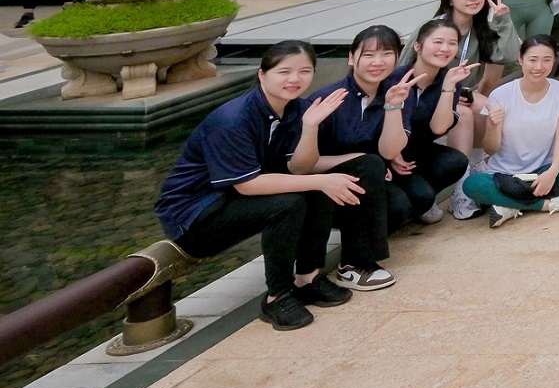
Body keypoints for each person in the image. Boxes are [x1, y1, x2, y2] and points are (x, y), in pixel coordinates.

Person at [155, 41, 369, 330]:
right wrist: (320, 179)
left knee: (315, 189)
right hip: (194, 214)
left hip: (231, 198)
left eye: (304, 71)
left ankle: (307, 278)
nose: (295, 79)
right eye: (284, 72)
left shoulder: (296, 110)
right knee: (289, 202)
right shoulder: (232, 120)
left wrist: (310, 128)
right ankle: (276, 296)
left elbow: (301, 168)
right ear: (262, 75)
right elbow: (247, 185)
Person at [287, 30, 407, 290]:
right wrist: (360, 157)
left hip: (362, 186)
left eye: (387, 54)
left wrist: (393, 106)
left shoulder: (393, 93)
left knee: (400, 204)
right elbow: (299, 166)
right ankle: (355, 263)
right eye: (369, 54)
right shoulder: (327, 99)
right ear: (352, 58)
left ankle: (357, 246)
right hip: (318, 187)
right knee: (370, 165)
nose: (378, 62)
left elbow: (389, 151)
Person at [462, 35, 559, 226]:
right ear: (520, 59)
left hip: (543, 170)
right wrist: (491, 126)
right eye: (532, 59)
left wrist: (552, 171)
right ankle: (549, 203)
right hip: (505, 174)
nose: (539, 66)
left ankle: (508, 204)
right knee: (472, 185)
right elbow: (490, 149)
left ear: (554, 61)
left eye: (546, 60)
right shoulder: (501, 94)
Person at [387, 17, 476, 225]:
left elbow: (439, 127)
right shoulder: (394, 80)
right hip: (386, 154)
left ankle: (420, 198)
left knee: (456, 162)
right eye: (437, 42)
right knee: (415, 200)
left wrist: (448, 87)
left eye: (452, 43)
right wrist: (390, 154)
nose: (445, 48)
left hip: (416, 154)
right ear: (418, 46)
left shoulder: (449, 78)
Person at [403, 0, 518, 96]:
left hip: (459, 93)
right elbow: (404, 62)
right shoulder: (432, 28)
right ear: (450, 0)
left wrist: (504, 19)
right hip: (425, 92)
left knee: (488, 108)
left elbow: (507, 56)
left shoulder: (484, 29)